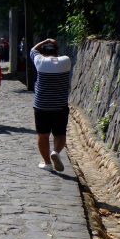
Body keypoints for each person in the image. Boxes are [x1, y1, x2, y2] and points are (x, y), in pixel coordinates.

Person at [30, 38, 73, 171]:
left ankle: (47, 163)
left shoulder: (40, 61)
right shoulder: (66, 61)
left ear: (43, 52)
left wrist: (46, 40)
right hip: (60, 106)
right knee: (60, 134)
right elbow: (57, 57)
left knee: (43, 135)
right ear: (57, 51)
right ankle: (56, 152)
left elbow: (33, 50)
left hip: (42, 106)